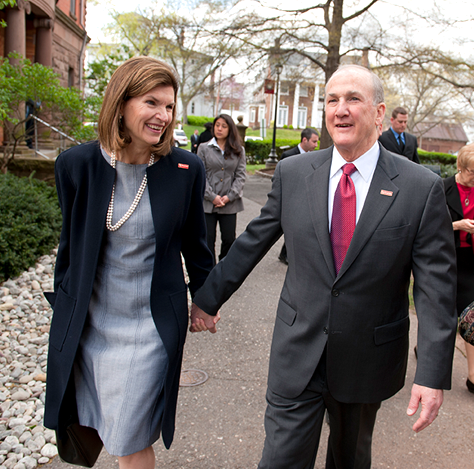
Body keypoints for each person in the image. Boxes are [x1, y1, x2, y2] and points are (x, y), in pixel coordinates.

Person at [191, 64, 457, 468]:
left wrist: (433, 373)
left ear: (380, 112)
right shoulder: (294, 173)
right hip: (297, 351)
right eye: (332, 100)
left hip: (366, 360)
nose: (340, 110)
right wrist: (207, 298)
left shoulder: (420, 188)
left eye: (353, 99)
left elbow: (435, 289)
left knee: (349, 460)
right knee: (280, 460)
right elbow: (251, 243)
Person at [44, 56, 214, 469]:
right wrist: (64, 303)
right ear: (121, 103)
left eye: (170, 106)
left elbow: (197, 245)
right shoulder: (76, 165)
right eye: (152, 103)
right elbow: (72, 245)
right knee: (97, 423)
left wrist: (207, 300)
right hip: (92, 324)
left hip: (150, 327)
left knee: (129, 438)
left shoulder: (185, 168)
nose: (163, 116)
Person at [443, 143, 474, 393]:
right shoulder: (442, 187)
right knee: (444, 315)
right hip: (445, 259)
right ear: (461, 166)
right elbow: (429, 225)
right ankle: (432, 358)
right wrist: (457, 225)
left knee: (473, 316)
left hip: (471, 259)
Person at [197, 113, 247, 264]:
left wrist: (229, 196)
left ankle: (223, 269)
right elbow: (200, 175)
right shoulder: (204, 148)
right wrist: (211, 196)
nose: (219, 129)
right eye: (217, 125)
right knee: (208, 240)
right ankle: (209, 270)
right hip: (208, 203)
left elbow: (240, 176)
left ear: (230, 129)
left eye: (224, 126)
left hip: (229, 203)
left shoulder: (238, 150)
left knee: (229, 239)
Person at [278, 127, 320, 264]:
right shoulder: (288, 155)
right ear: (304, 140)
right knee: (290, 228)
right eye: (314, 142)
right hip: (290, 198)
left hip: (306, 198)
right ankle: (287, 254)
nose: (316, 145)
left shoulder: (315, 157)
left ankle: (285, 253)